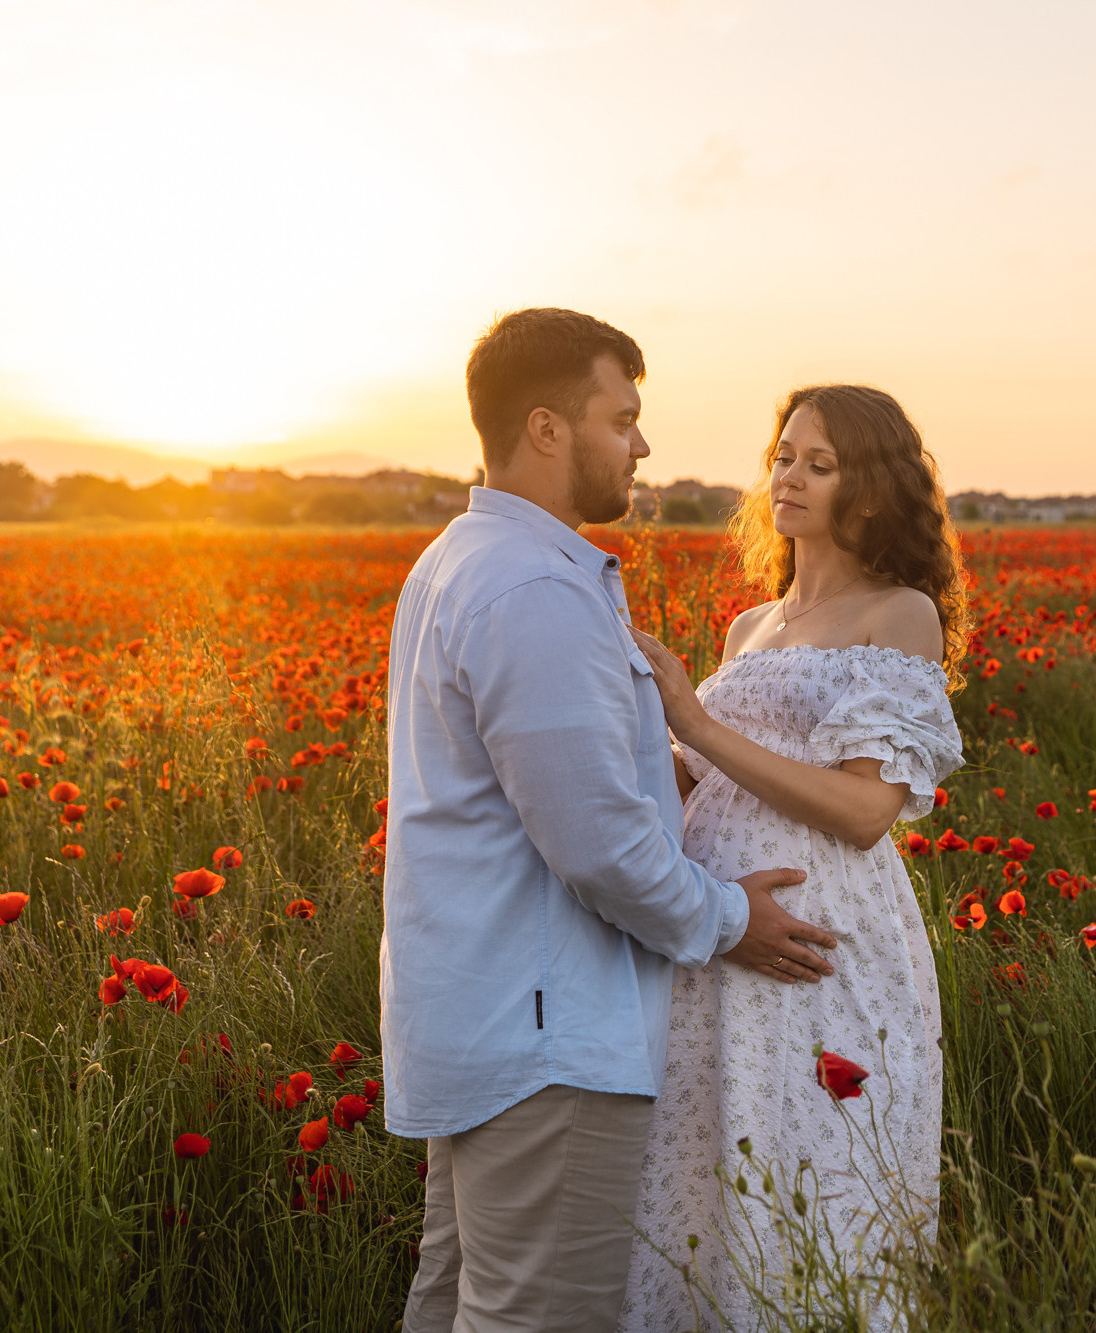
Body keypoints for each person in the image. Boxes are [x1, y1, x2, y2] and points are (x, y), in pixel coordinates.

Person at [382, 307, 840, 1333]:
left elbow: (539, 784)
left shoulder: (460, 560)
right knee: (534, 1317)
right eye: (621, 419)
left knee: (461, 1302)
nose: (640, 446)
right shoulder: (532, 587)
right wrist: (733, 918)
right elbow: (595, 842)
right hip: (548, 1031)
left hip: (481, 1015)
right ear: (547, 429)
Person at [617, 384, 967, 1331]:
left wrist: (692, 718)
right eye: (784, 455)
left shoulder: (898, 614)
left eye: (821, 462)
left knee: (816, 1178)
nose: (791, 477)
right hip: (717, 937)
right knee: (705, 1183)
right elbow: (713, 786)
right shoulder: (751, 626)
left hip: (823, 944)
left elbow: (864, 809)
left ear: (873, 486)